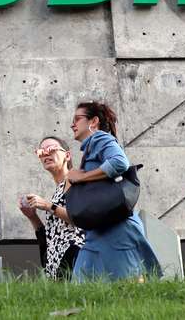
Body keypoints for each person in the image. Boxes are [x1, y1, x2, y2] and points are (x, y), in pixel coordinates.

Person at [66, 101, 161, 282]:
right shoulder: (91, 147)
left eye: (77, 119)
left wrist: (82, 177)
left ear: (93, 122)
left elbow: (119, 162)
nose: (73, 124)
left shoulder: (101, 138)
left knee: (127, 290)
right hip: (99, 232)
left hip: (118, 231)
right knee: (81, 289)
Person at [19, 136, 85, 280]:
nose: (45, 154)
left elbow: (81, 218)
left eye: (51, 149)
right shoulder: (58, 191)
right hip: (57, 264)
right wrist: (32, 216)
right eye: (41, 152)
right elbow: (51, 237)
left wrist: (48, 205)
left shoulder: (75, 180)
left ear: (67, 155)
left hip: (74, 255)